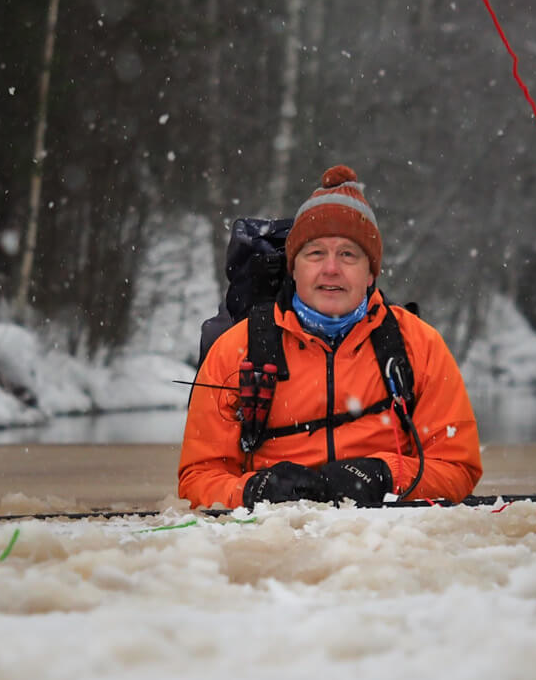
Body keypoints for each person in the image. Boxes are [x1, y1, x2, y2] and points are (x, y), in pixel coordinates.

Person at [178, 164, 482, 509]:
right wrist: (255, 491)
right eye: (316, 253)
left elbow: (458, 469)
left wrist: (386, 474)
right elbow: (197, 479)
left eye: (348, 254)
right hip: (274, 536)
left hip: (386, 537)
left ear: (371, 273)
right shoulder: (236, 350)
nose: (331, 269)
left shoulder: (418, 345)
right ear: (294, 268)